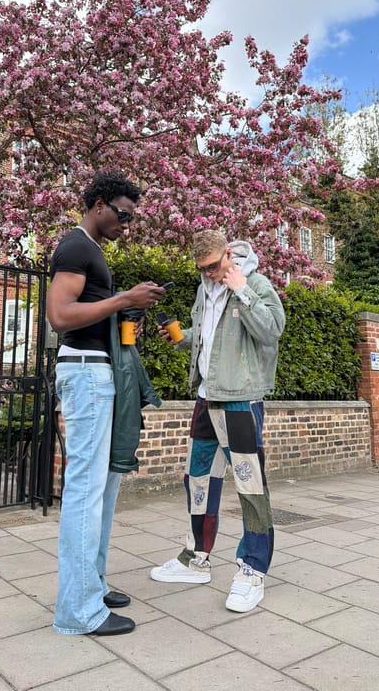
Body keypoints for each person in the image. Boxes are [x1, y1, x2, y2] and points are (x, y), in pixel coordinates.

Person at [47, 169, 165, 636]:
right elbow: (60, 316)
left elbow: (87, 314)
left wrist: (127, 309)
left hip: (99, 372)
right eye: (123, 214)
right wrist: (122, 300)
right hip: (85, 374)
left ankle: (90, 585)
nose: (127, 224)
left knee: (105, 486)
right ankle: (78, 611)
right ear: (98, 204)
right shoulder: (75, 246)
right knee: (85, 489)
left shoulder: (91, 251)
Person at [150, 229, 285, 612]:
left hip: (240, 399)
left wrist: (242, 288)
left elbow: (272, 331)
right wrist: (181, 338)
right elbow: (210, 337)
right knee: (197, 478)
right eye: (201, 269)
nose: (208, 274)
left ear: (229, 254)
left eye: (213, 266)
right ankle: (196, 557)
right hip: (206, 397)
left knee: (250, 486)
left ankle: (252, 569)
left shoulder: (255, 282)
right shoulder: (203, 289)